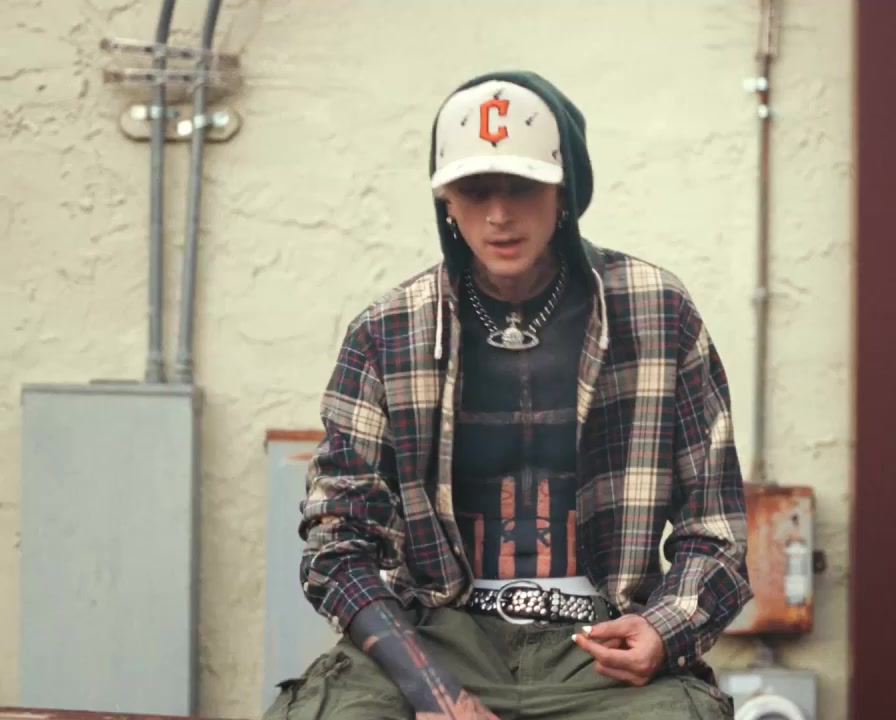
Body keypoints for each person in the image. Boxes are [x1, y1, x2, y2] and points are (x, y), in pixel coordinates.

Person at [263, 70, 751, 720]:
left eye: (521, 186)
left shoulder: (657, 311)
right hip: (436, 634)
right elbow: (337, 544)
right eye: (474, 189)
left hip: (602, 643)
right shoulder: (389, 331)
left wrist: (664, 628)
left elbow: (714, 527)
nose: (498, 214)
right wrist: (432, 691)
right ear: (445, 200)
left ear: (564, 190)